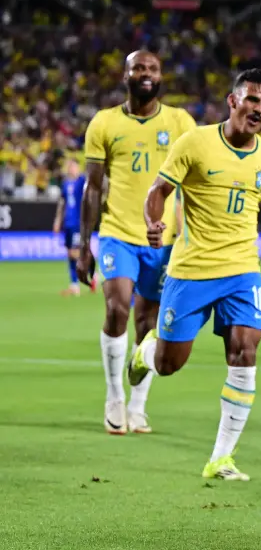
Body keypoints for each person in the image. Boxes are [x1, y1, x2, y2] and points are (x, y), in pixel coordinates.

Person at [127, 69, 261, 480]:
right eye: (252, 99)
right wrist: (153, 223)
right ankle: (145, 352)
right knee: (170, 364)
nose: (259, 109)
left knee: (245, 351)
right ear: (233, 100)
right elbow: (158, 193)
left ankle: (221, 457)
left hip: (242, 272)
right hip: (191, 271)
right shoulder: (195, 143)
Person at [77, 49, 196, 435]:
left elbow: (195, 185)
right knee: (117, 310)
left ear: (161, 76)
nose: (146, 73)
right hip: (118, 234)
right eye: (138, 68)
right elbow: (92, 188)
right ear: (125, 75)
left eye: (152, 68)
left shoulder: (180, 122)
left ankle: (139, 405)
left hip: (164, 241)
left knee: (149, 323)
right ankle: (114, 397)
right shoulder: (104, 123)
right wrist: (84, 246)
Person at [52, 152, 93, 296]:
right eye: (70, 166)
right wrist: (58, 221)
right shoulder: (65, 184)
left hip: (78, 222)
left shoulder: (82, 181)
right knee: (70, 254)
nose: (71, 169)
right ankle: (76, 284)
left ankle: (88, 277)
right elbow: (62, 203)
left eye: (74, 166)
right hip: (68, 223)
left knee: (75, 253)